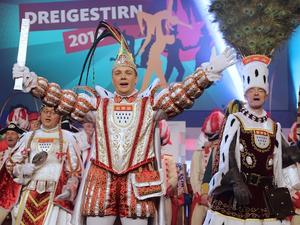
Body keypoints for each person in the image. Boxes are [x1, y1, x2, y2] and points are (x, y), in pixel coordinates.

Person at [12, 21, 235, 225]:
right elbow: (64, 100)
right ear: (113, 76)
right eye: (118, 72)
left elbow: (179, 95)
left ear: (135, 77)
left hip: (137, 181)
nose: (123, 76)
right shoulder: (98, 105)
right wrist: (33, 83)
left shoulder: (150, 104)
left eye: (128, 72)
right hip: (101, 180)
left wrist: (208, 72)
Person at [203, 55, 300, 225]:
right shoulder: (236, 120)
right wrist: (237, 182)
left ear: (266, 93)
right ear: (245, 93)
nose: (256, 93)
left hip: (267, 198)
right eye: (252, 90)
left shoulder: (274, 127)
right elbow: (228, 155)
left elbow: (288, 157)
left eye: (260, 90)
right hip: (239, 196)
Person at [6, 105, 82, 225]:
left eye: (53, 112)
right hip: (29, 193)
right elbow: (10, 164)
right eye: (45, 111)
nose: (48, 115)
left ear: (60, 116)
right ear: (40, 114)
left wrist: (69, 188)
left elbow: (75, 170)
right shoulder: (28, 137)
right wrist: (21, 169)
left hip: (55, 196)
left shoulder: (68, 138)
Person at [190, 110, 224, 225]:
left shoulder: (226, 152)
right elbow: (195, 175)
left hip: (221, 198)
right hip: (201, 198)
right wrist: (200, 193)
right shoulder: (200, 152)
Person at [0, 123, 25, 225]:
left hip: (16, 197)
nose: (9, 136)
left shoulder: (23, 154)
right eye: (7, 133)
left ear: (19, 137)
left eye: (13, 133)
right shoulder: (1, 153)